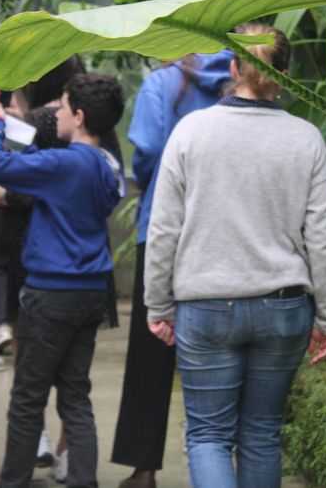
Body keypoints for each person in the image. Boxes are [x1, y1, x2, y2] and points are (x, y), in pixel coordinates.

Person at [144, 25, 326, 488]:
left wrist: (158, 305)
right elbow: (324, 240)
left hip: (206, 307)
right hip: (284, 308)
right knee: (261, 434)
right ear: (286, 73)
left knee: (210, 435)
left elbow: (164, 229)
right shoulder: (306, 138)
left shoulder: (191, 132)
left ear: (233, 68)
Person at [0, 74, 126, 488]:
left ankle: (13, 482)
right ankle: (84, 481)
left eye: (62, 108)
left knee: (27, 398)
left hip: (50, 294)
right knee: (76, 397)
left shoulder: (63, 164)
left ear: (78, 117)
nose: (55, 114)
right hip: (90, 292)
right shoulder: (108, 168)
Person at [111, 51, 232, 488]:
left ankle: (144, 469)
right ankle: (222, 456)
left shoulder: (161, 83)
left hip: (162, 227)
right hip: (222, 229)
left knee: (151, 350)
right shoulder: (240, 74)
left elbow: (145, 152)